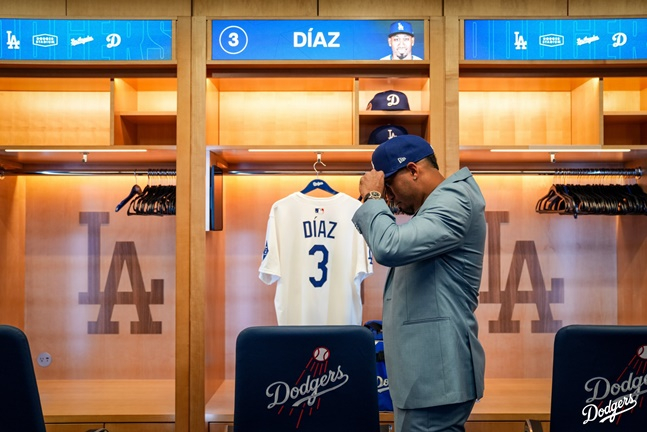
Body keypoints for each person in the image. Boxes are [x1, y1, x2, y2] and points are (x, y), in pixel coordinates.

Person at [351, 135, 486, 432]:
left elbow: (390, 247)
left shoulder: (455, 200)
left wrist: (372, 197)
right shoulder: (438, 205)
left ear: (413, 170)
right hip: (427, 379)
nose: (389, 197)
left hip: (435, 379)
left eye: (389, 186)